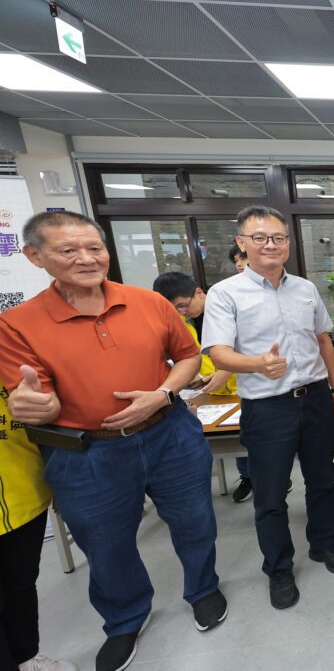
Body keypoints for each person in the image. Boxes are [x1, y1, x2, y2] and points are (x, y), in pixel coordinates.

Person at [0, 210, 226, 671]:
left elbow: (186, 358)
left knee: (194, 520)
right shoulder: (17, 323)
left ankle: (203, 588)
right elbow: (33, 395)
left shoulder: (149, 302)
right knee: (105, 544)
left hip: (168, 435)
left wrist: (163, 393)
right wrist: (36, 406)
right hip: (86, 452)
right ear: (34, 256)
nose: (86, 258)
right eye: (68, 250)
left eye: (94, 248)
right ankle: (125, 619)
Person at [203, 205, 334, 611]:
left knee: (321, 480)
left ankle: (324, 543)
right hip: (267, 409)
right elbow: (218, 354)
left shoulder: (305, 288)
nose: (271, 245)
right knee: (271, 494)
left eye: (278, 238)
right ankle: (279, 568)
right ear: (242, 243)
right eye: (260, 238)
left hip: (316, 397)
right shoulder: (225, 294)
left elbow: (324, 341)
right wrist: (257, 364)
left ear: (288, 243)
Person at [152, 272, 250, 501]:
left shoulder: (229, 309)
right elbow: (188, 357)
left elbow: (252, 347)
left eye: (183, 306)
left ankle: (262, 476)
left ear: (199, 292)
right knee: (226, 433)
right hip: (213, 392)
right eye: (175, 309)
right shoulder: (182, 324)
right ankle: (248, 476)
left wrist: (226, 372)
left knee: (249, 435)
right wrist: (194, 376)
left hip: (244, 386)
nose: (182, 313)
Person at [0, 379, 76, 671]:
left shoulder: (11, 351)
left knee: (22, 583)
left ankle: (28, 657)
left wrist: (57, 477)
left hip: (23, 491)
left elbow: (46, 422)